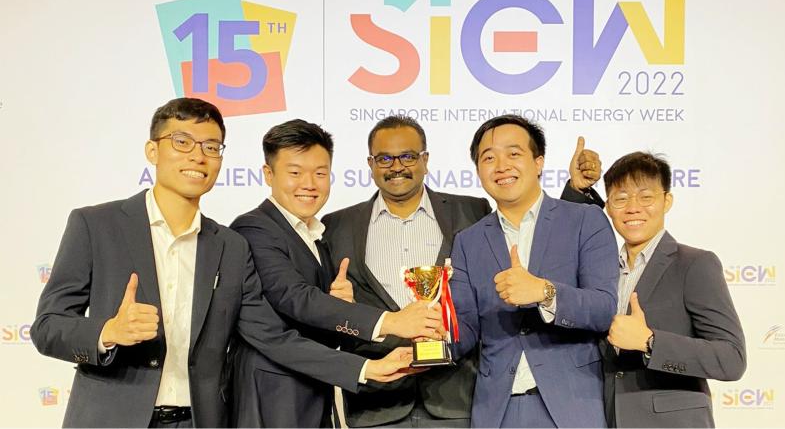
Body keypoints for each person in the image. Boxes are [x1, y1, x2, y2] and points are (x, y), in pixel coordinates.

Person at [29, 98, 414, 428]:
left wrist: (365, 369)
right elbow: (47, 327)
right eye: (182, 142)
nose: (198, 156)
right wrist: (108, 331)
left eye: (211, 146)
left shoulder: (229, 246)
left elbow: (271, 336)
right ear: (152, 151)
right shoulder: (96, 225)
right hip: (111, 418)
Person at [322, 115, 605, 427]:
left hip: (461, 402)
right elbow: (466, 321)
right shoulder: (337, 226)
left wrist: (544, 290)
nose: (397, 166)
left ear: (425, 160)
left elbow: (552, 241)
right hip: (379, 402)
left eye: (408, 156)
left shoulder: (470, 212)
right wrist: (341, 312)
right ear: (370, 163)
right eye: (385, 158)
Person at [228, 119, 443, 427]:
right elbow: (295, 298)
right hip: (272, 399)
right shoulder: (255, 228)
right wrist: (391, 322)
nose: (309, 184)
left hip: (316, 393)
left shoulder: (316, 234)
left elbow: (315, 321)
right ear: (268, 174)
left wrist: (341, 305)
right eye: (295, 173)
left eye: (320, 173)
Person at [449, 114, 619, 427]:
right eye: (489, 158)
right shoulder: (467, 241)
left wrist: (545, 292)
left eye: (513, 154)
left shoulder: (585, 220)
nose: (501, 166)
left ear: (538, 162)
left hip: (572, 406)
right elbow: (466, 328)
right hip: (497, 410)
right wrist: (437, 331)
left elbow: (603, 308)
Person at [600, 152, 746, 427]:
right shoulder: (601, 271)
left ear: (666, 201)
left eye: (645, 197)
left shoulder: (694, 264)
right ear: (608, 207)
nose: (633, 208)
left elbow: (731, 359)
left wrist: (650, 342)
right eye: (621, 198)